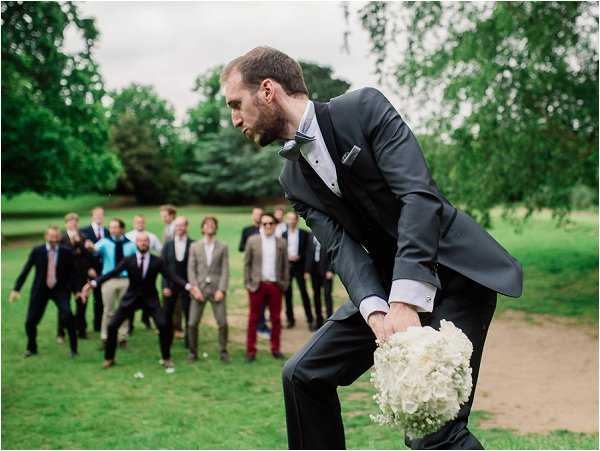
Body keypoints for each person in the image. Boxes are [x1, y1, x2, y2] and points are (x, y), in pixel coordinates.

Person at [221, 47, 523, 449]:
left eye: (236, 104)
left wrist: (405, 301)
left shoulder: (362, 108)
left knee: (431, 429)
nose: (234, 119)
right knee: (303, 375)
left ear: (268, 90)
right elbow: (341, 248)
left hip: (454, 274)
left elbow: (419, 198)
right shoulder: (291, 178)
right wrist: (376, 309)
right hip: (382, 286)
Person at [83, 232, 201, 369]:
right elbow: (112, 273)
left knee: (163, 325)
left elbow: (172, 276)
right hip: (131, 298)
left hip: (150, 299)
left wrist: (189, 287)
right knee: (112, 325)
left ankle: (166, 357)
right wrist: (93, 284)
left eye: (146, 241)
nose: (143, 243)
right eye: (140, 241)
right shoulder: (129, 260)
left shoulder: (157, 261)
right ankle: (109, 358)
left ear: (149, 244)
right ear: (136, 243)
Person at [10, 226, 79, 358]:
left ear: (59, 237)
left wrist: (76, 291)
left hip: (60, 290)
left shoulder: (66, 251)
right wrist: (16, 289)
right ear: (46, 236)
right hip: (40, 290)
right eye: (51, 236)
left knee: (68, 316)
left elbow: (74, 273)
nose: (54, 239)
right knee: (30, 321)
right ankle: (32, 348)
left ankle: (74, 349)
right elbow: (26, 269)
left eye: (56, 237)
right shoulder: (37, 251)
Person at [243, 212, 289, 362]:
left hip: (275, 285)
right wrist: (248, 284)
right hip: (257, 285)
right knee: (253, 318)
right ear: (260, 225)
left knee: (276, 319)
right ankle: (251, 350)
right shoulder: (252, 241)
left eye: (271, 223)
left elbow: (285, 266)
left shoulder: (281, 242)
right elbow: (247, 264)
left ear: (275, 225)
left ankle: (275, 348)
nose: (268, 226)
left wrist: (284, 284)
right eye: (265, 223)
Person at [86, 218, 136, 349]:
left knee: (124, 309)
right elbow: (95, 251)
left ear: (122, 229)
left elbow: (136, 262)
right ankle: (105, 337)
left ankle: (122, 337)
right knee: (108, 310)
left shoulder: (130, 245)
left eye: (115, 227)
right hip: (109, 281)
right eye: (111, 227)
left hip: (125, 280)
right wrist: (91, 248)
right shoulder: (105, 242)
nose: (112, 230)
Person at [187, 216, 230, 363]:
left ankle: (223, 352)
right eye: (207, 224)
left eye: (213, 224)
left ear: (216, 228)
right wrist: (194, 288)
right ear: (202, 228)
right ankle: (193, 353)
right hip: (199, 289)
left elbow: (225, 270)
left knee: (222, 323)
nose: (210, 226)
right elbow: (191, 269)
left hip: (217, 289)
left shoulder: (223, 247)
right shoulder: (194, 246)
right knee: (192, 323)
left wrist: (222, 290)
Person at [57, 213, 95, 341]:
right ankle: (61, 332)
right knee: (64, 305)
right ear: (66, 223)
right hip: (66, 277)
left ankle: (81, 330)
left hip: (81, 275)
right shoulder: (60, 238)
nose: (73, 224)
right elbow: (63, 255)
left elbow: (86, 256)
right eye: (70, 222)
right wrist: (74, 245)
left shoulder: (83, 237)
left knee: (82, 304)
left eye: (75, 222)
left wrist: (81, 245)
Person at [161, 216, 194, 348]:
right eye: (177, 225)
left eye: (182, 225)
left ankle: (189, 342)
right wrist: (164, 286)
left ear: (186, 227)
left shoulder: (193, 244)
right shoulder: (167, 245)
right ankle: (168, 340)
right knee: (168, 315)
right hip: (170, 286)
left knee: (189, 314)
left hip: (188, 285)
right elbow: (163, 268)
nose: (180, 228)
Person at [126, 214, 162, 331]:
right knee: (131, 300)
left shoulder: (151, 236)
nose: (139, 224)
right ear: (134, 223)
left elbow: (160, 251)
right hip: (132, 273)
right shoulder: (128, 236)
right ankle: (130, 325)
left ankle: (146, 319)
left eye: (142, 222)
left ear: (144, 223)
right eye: (137, 222)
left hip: (147, 272)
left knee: (148, 297)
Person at [238, 206, 270, 337]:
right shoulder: (247, 230)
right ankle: (259, 325)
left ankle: (261, 321)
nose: (257, 217)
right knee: (256, 299)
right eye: (255, 214)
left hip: (267, 269)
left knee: (265, 299)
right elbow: (241, 247)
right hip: (253, 269)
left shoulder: (267, 228)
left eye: (260, 214)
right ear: (252, 216)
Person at [281, 211, 313, 330]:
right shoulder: (283, 234)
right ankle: (290, 319)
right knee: (287, 294)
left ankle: (310, 319)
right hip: (287, 267)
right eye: (289, 219)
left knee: (304, 293)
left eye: (293, 219)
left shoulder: (304, 234)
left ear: (297, 220)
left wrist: (306, 270)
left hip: (300, 267)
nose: (291, 221)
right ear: (286, 220)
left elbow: (307, 252)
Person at [79, 207, 109, 333]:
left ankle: (98, 325)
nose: (99, 217)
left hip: (103, 270)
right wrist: (88, 268)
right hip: (88, 270)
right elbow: (81, 254)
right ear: (92, 216)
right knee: (83, 299)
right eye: (97, 215)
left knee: (100, 299)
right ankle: (81, 327)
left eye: (101, 214)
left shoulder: (107, 232)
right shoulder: (84, 232)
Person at [305, 234, 335, 330]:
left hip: (326, 271)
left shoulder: (327, 234)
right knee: (316, 295)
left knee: (327, 295)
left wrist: (331, 270)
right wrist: (307, 270)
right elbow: (308, 253)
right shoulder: (310, 236)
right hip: (314, 271)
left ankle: (330, 321)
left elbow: (333, 252)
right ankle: (318, 320)